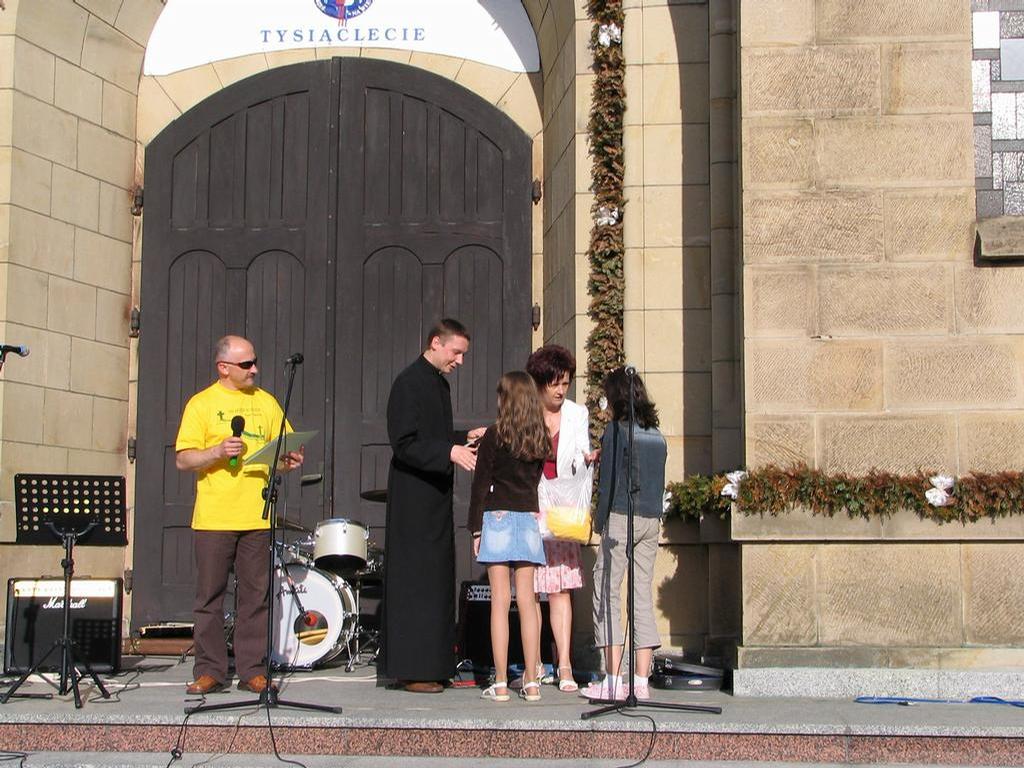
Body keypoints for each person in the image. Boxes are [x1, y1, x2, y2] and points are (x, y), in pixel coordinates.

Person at [175, 335, 305, 696]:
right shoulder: (202, 403)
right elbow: (183, 458)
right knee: (209, 596)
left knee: (255, 596)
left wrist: (289, 459)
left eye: (254, 362)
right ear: (223, 367)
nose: (254, 370)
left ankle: (252, 671)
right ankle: (210, 670)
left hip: (256, 516)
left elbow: (281, 453)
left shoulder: (266, 402)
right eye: (246, 364)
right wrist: (216, 451)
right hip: (215, 516)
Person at [382, 319, 485, 693]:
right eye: (456, 352)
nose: (460, 360)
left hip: (435, 498)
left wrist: (462, 437)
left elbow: (433, 435)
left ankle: (435, 664)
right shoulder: (408, 383)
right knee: (416, 583)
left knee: (436, 580)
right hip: (414, 501)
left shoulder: (438, 383)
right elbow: (404, 443)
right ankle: (413, 669)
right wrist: (449, 451)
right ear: (436, 342)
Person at [581, 367, 667, 702]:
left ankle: (613, 679)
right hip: (651, 519)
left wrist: (598, 522)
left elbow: (609, 485)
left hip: (621, 516)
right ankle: (641, 681)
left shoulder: (616, 431)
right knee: (641, 594)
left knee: (607, 590)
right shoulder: (656, 434)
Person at [469, 371, 551, 703]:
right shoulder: (540, 437)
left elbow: (480, 485)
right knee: (528, 602)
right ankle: (532, 682)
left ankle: (501, 682)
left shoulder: (494, 435)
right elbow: (536, 478)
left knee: (500, 603)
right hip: (528, 518)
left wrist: (475, 528)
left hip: (497, 517)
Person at [525, 345, 598, 693]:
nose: (560, 390)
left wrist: (588, 459)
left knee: (559, 589)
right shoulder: (525, 411)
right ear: (539, 383)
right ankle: (534, 663)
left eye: (565, 383)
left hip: (562, 511)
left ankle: (565, 664)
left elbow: (580, 454)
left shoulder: (577, 413)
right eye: (553, 383)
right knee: (530, 589)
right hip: (530, 505)